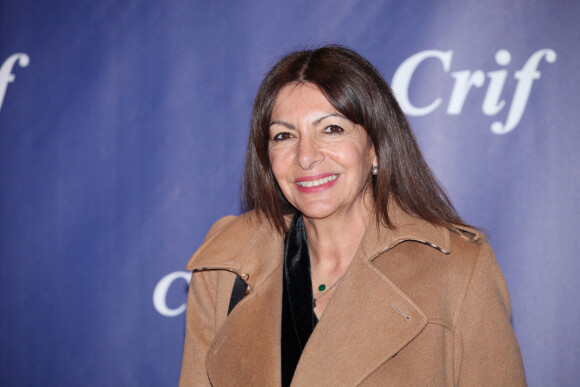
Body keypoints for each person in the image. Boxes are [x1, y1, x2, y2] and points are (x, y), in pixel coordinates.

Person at [179, 45, 526, 386]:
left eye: (331, 129)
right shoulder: (226, 267)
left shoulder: (458, 270)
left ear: (375, 146)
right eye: (284, 136)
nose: (305, 156)